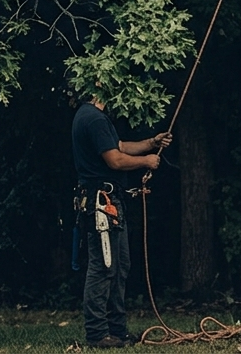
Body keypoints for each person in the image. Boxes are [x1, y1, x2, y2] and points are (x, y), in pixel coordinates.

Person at [72, 92, 173, 349]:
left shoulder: (93, 117)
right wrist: (146, 161)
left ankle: (117, 331)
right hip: (102, 203)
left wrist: (152, 142)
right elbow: (115, 160)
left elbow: (119, 147)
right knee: (104, 267)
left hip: (109, 202)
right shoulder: (94, 118)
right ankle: (97, 334)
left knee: (119, 266)